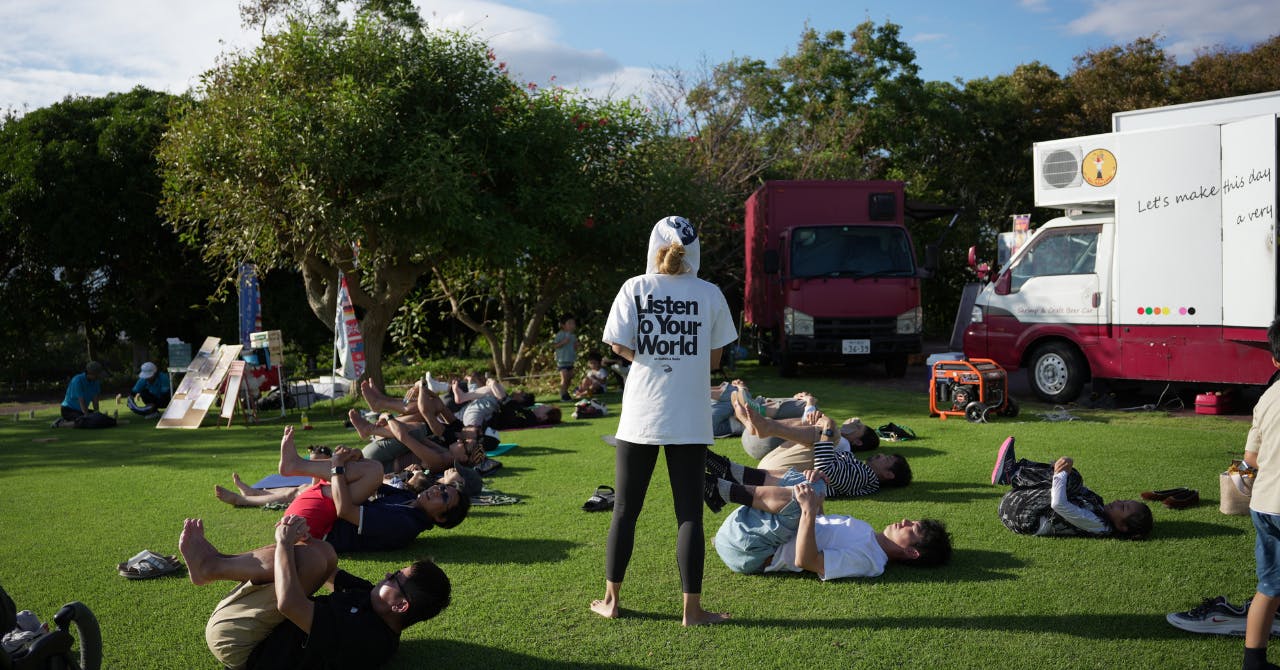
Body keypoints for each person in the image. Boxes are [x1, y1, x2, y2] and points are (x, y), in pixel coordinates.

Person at [590, 216, 737, 626]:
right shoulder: (709, 293)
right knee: (688, 512)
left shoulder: (635, 287)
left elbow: (618, 342)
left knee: (624, 510)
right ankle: (692, 610)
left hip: (642, 412)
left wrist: (650, 360)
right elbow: (713, 359)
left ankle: (611, 602)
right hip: (689, 414)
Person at [178, 516, 450, 669]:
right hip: (261, 628)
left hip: (244, 647)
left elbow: (290, 604)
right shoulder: (370, 599)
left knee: (305, 559)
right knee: (323, 554)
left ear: (401, 605)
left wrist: (284, 545)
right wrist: (307, 540)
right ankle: (215, 562)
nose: (387, 575)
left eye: (395, 578)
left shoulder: (366, 637)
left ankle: (210, 567)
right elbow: (329, 570)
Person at [708, 467, 950, 580]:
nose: (905, 521)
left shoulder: (871, 561)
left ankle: (720, 488)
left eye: (913, 528)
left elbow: (807, 561)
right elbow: (819, 523)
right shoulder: (866, 531)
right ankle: (728, 474)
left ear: (912, 551)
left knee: (801, 499)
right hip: (747, 530)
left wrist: (807, 510)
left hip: (750, 549)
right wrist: (817, 495)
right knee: (811, 484)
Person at [276, 426, 471, 553]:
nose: (438, 490)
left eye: (444, 497)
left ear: (441, 518)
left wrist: (338, 468)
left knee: (373, 469)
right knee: (372, 469)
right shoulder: (407, 499)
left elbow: (345, 511)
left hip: (313, 529)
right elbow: (373, 482)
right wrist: (357, 458)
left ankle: (295, 465)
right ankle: (294, 465)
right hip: (312, 514)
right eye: (442, 487)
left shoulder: (404, 524)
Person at [707, 398, 909, 499]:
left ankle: (766, 426)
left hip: (781, 477)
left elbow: (826, 470)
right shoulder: (861, 472)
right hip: (774, 469)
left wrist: (827, 432)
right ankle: (762, 427)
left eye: (886, 458)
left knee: (832, 433)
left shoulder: (865, 477)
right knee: (827, 430)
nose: (881, 455)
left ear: (888, 474)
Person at [991, 437, 1152, 539]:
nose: (1117, 501)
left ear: (1122, 527)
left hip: (1021, 517)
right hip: (1017, 507)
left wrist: (1060, 474)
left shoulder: (1099, 525)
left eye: (1123, 507)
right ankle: (1014, 471)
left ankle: (1012, 473)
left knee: (1071, 479)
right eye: (1123, 501)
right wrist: (1060, 469)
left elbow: (1059, 504)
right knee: (1071, 479)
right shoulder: (1099, 506)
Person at [1243, 316, 1280, 670]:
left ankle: (1254, 662)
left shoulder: (1268, 397)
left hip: (1265, 504)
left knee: (1269, 585)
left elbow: (1250, 459)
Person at [54, 361, 115, 429]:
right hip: (68, 410)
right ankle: (60, 424)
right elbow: (81, 401)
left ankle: (71, 421)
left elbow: (95, 401)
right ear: (91, 374)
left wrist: (97, 415)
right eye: (97, 375)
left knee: (101, 418)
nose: (99, 377)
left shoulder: (95, 382)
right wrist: (88, 417)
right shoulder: (77, 380)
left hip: (81, 410)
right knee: (87, 422)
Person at [553, 315, 577, 402]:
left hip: (570, 360)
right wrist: (564, 342)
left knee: (570, 377)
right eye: (569, 323)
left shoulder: (573, 335)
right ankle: (563, 395)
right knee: (565, 377)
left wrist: (576, 345)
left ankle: (566, 392)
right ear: (563, 325)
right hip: (562, 361)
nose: (572, 325)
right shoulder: (560, 334)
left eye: (573, 323)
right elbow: (555, 345)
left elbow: (574, 347)